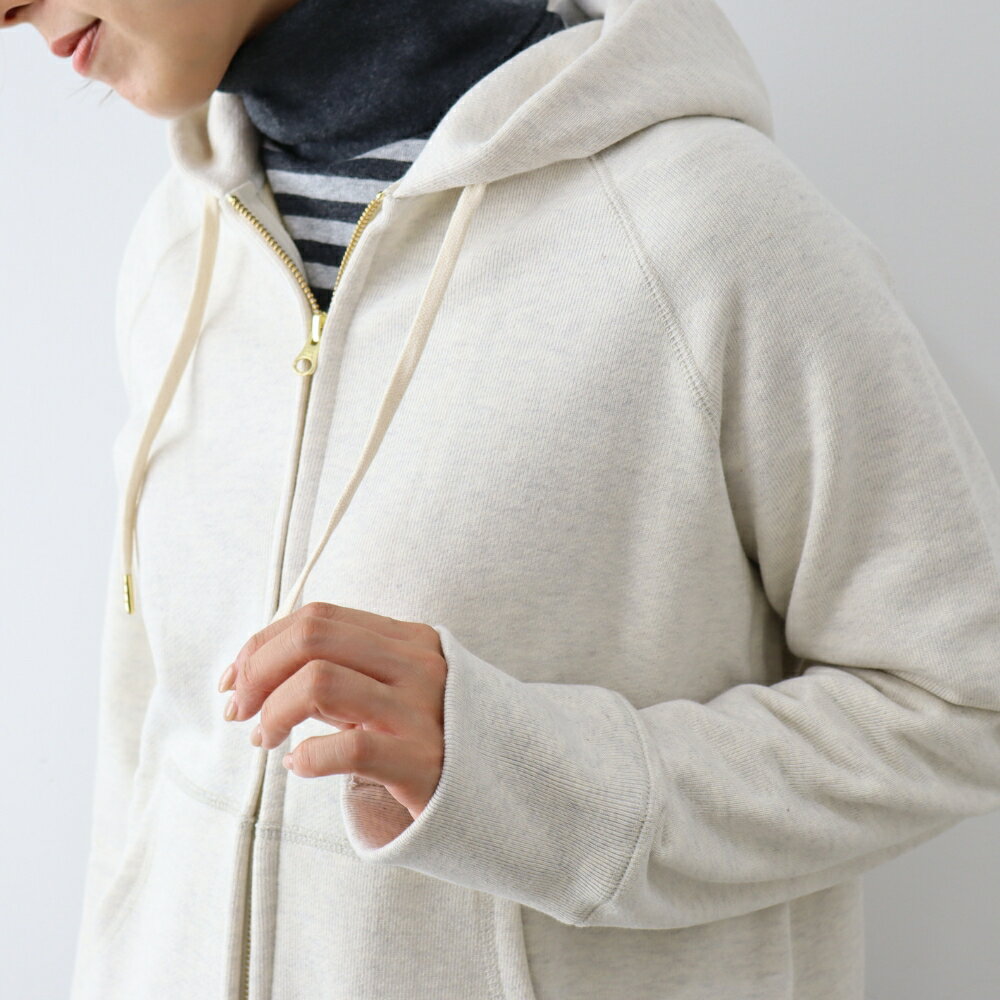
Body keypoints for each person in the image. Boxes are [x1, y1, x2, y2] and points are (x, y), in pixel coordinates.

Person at [6, 0, 999, 997]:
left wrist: (531, 779)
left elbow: (962, 698)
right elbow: (144, 746)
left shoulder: (708, 227)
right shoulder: (182, 239)